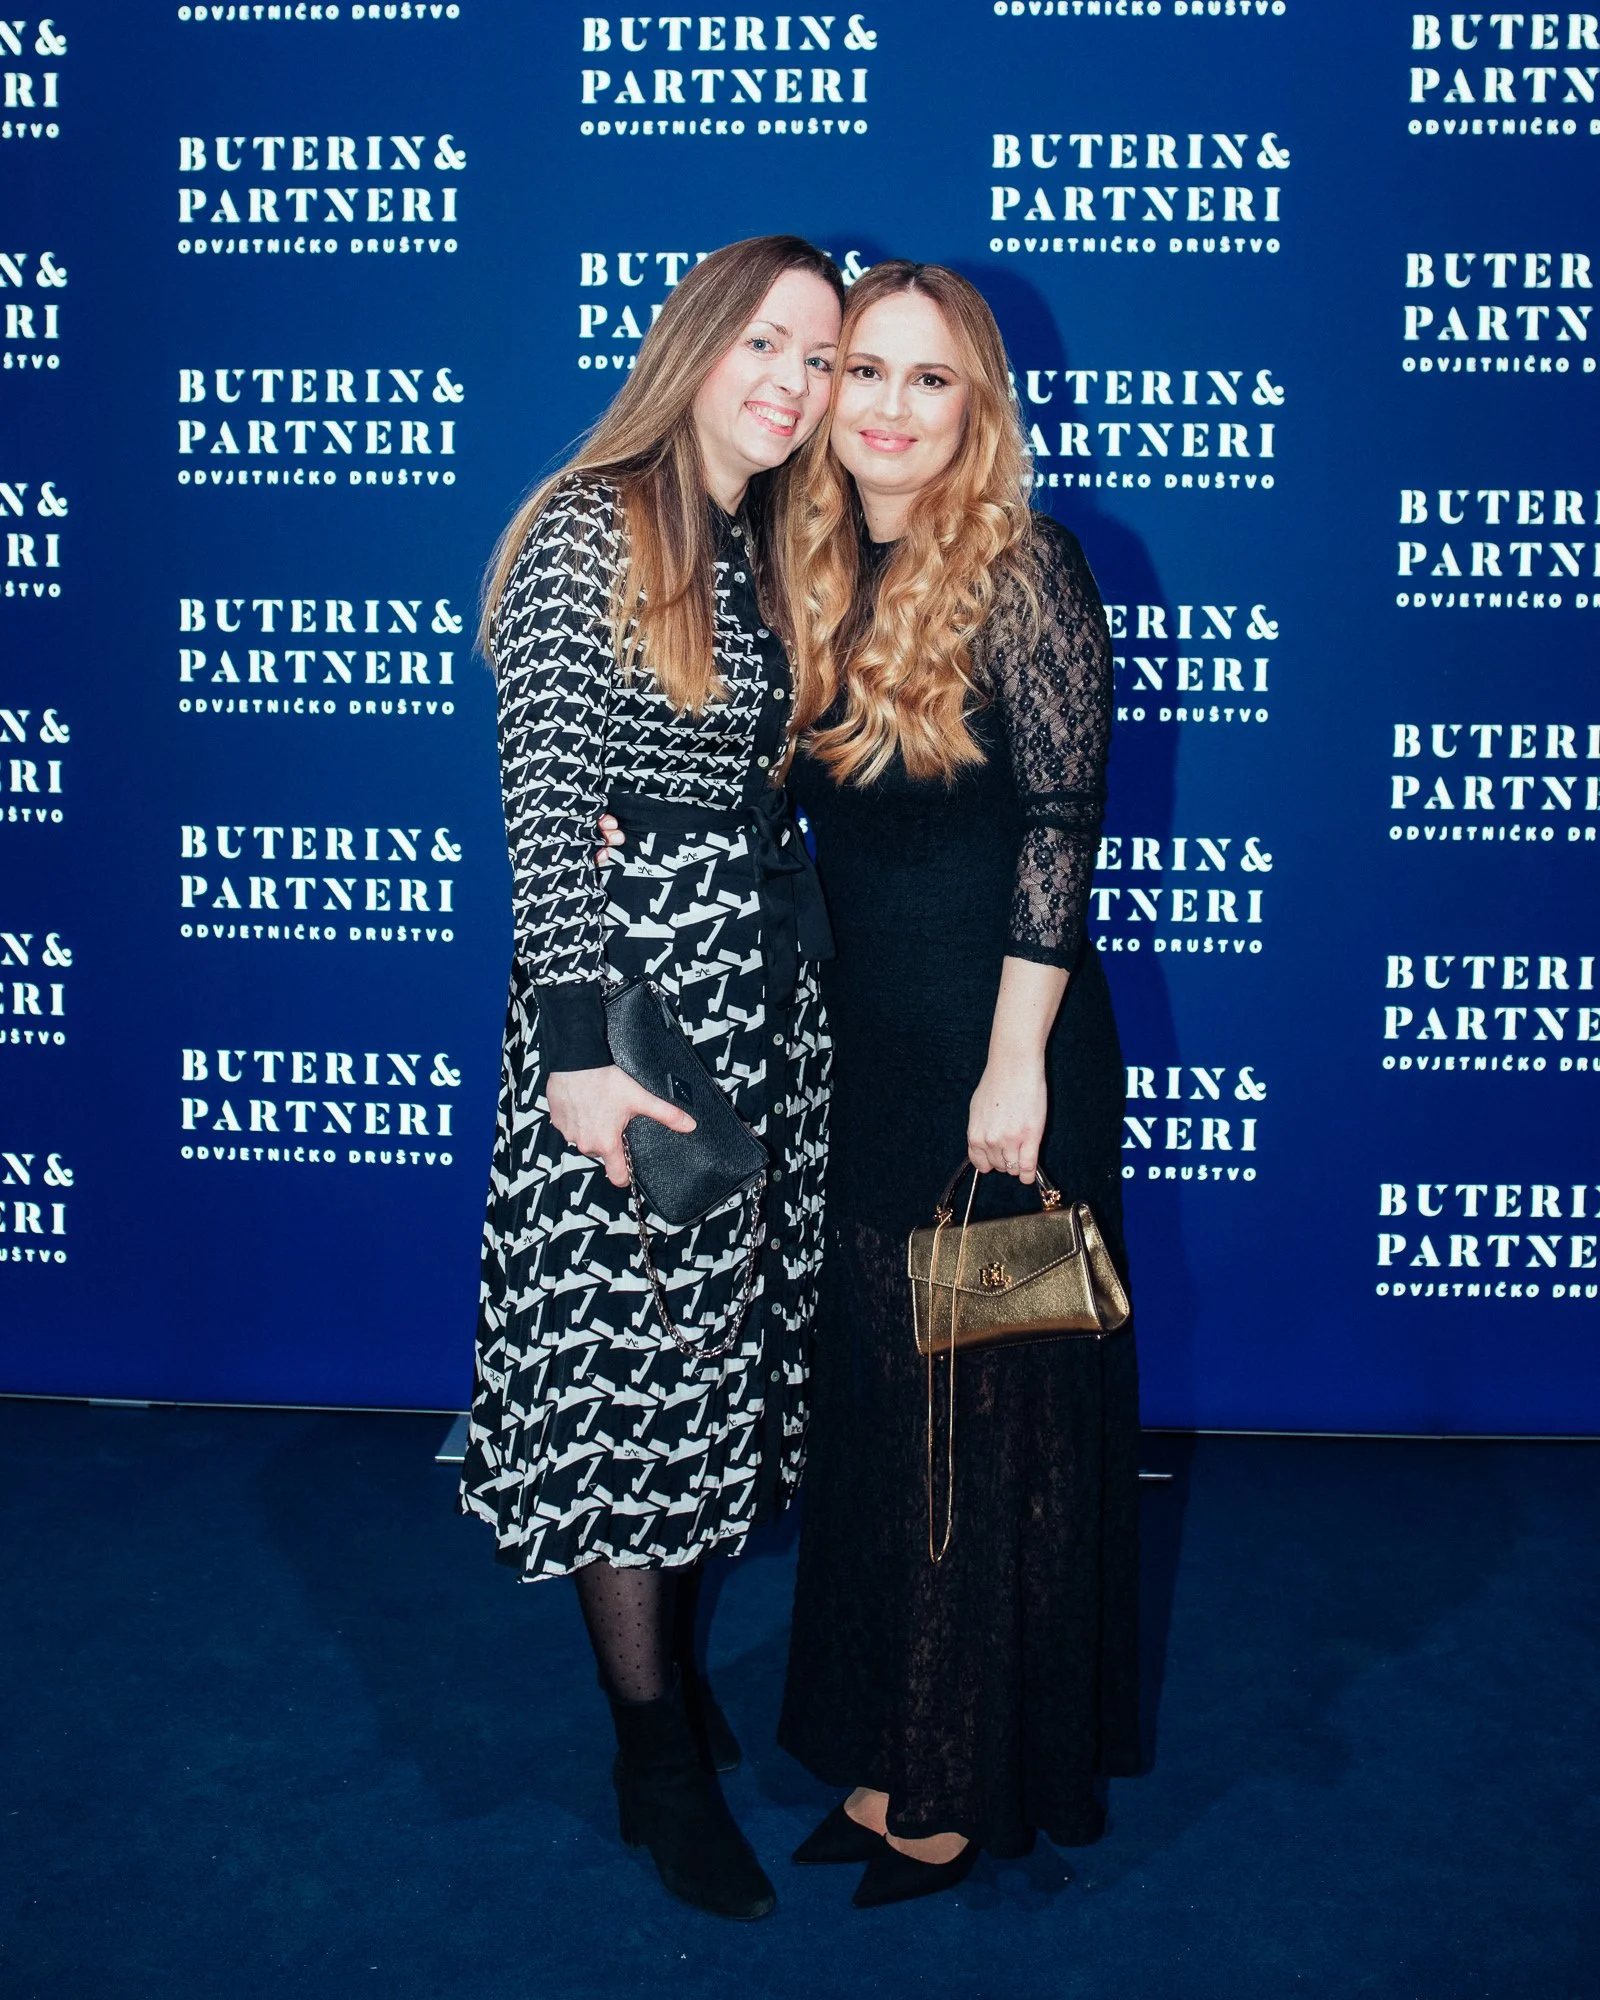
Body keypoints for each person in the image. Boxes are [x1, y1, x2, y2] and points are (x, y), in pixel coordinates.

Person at [460, 235, 843, 1922]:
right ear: (693, 344)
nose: (794, 383)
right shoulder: (589, 528)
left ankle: (675, 1679)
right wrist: (576, 1064)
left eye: (819, 358)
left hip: (760, 1000)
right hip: (632, 1024)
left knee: (710, 1381)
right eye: (766, 343)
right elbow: (549, 804)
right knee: (628, 1393)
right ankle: (652, 1762)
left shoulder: (762, 544)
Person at [775, 262, 1141, 1907]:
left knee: (984, 1422)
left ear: (977, 404)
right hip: (865, 1056)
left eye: (931, 379)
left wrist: (1015, 1068)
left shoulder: (1026, 567)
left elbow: (1060, 827)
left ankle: (957, 1780)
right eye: (864, 369)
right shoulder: (810, 569)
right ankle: (887, 1741)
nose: (890, 407)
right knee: (883, 1411)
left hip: (1002, 1058)